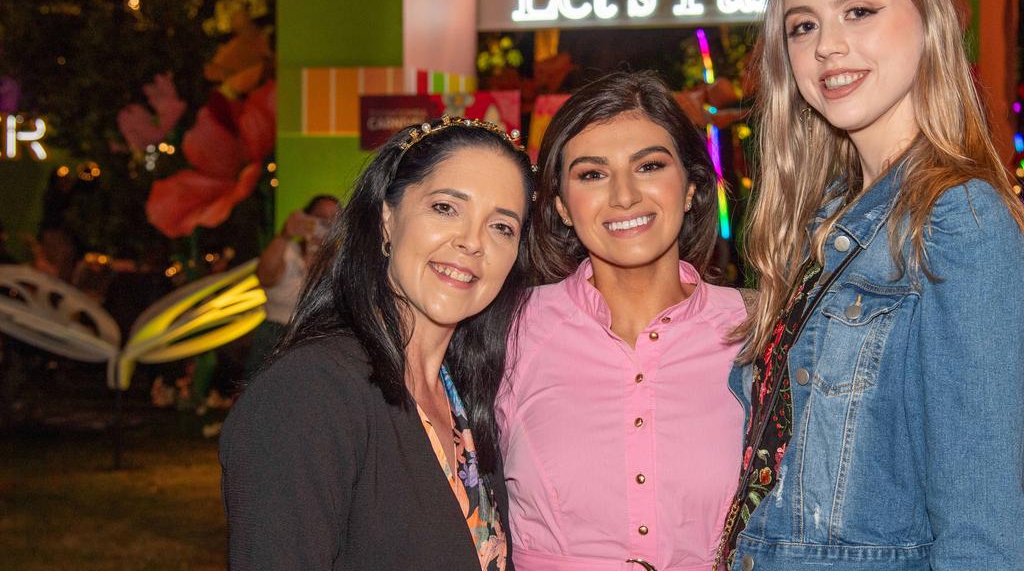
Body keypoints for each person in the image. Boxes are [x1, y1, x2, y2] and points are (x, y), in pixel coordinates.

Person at [717, 0, 1024, 570]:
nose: (826, 47)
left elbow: (983, 528)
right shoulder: (823, 227)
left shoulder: (958, 221)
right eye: (803, 25)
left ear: (930, 23)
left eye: (860, 11)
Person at [220, 117, 535, 570]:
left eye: (501, 227)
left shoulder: (466, 396)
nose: (472, 242)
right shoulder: (310, 393)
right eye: (446, 207)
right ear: (387, 219)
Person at [498, 72, 748, 571]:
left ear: (694, 186)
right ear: (562, 207)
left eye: (649, 165)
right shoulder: (506, 329)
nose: (625, 196)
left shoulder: (760, 329)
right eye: (592, 174)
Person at [243, 194, 341, 376]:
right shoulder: (288, 253)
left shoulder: (339, 267)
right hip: (274, 339)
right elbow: (265, 276)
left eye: (333, 221)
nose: (325, 225)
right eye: (319, 218)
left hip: (316, 345)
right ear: (307, 218)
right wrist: (285, 234)